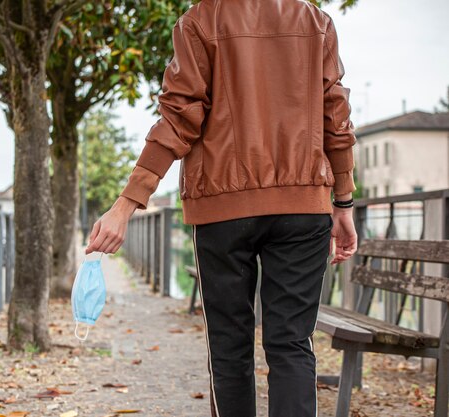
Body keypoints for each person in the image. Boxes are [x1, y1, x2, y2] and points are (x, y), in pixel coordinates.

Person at [85, 0, 358, 416]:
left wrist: (127, 202)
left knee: (229, 346)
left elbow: (179, 118)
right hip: (304, 205)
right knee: (291, 344)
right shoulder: (315, 21)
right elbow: (335, 118)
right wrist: (343, 199)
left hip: (221, 206)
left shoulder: (200, 19)